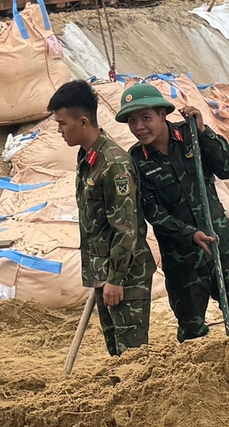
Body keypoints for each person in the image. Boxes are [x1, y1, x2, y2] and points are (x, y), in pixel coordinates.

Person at [118, 80, 229, 341]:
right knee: (192, 332)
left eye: (145, 118)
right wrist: (190, 234)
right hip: (182, 260)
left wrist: (205, 133)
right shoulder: (135, 161)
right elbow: (153, 213)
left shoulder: (192, 135)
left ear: (162, 114)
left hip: (220, 245)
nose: (139, 127)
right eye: (132, 121)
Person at [52, 78, 154, 357]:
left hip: (125, 277)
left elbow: (126, 228)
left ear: (83, 122)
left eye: (62, 123)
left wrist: (116, 279)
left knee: (131, 357)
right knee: (116, 352)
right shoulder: (89, 158)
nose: (59, 130)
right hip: (104, 274)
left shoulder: (114, 165)